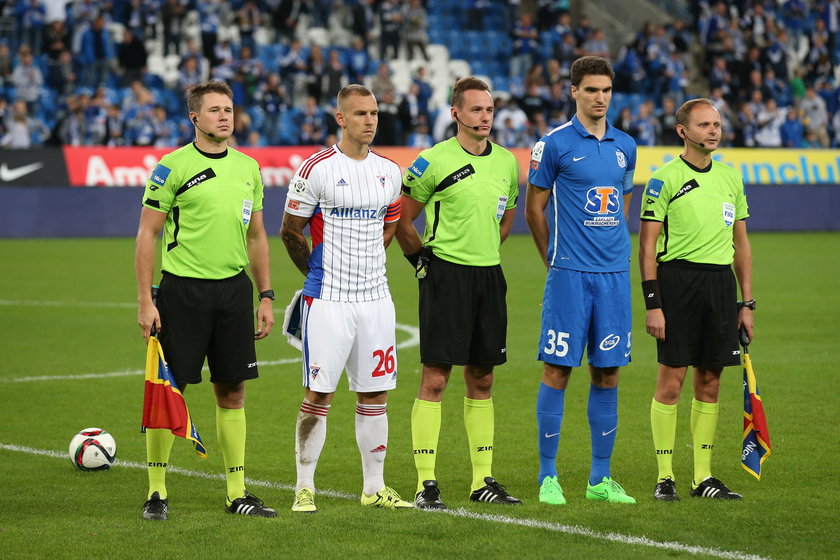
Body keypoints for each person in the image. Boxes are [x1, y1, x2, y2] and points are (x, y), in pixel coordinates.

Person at [135, 80, 277, 521]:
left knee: (232, 389)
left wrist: (266, 294)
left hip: (233, 293)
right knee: (168, 390)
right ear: (194, 118)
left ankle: (237, 492)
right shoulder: (171, 166)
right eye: (214, 110)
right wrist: (145, 301)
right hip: (182, 292)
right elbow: (147, 233)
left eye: (229, 109)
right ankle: (156, 491)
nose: (224, 116)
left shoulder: (248, 168)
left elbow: (256, 236)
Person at [280, 84, 411, 513]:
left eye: (373, 113)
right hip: (328, 301)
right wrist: (315, 275)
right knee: (318, 395)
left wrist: (367, 268)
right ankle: (305, 487)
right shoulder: (316, 168)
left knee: (375, 395)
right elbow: (289, 230)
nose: (369, 121)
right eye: (360, 114)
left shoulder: (390, 171)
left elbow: (389, 226)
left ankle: (374, 487)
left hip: (376, 300)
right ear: (341, 118)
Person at [396, 77, 521, 509]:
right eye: (475, 110)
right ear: (455, 114)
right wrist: (423, 263)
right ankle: (425, 483)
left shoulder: (506, 162)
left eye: (488, 110)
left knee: (482, 378)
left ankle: (481, 480)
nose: (484, 117)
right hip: (446, 277)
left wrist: (486, 249)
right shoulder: (431, 161)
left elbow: (506, 217)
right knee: (436, 377)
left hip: (489, 276)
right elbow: (403, 221)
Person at [525, 56, 637, 506]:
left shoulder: (625, 145)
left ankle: (599, 480)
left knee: (607, 373)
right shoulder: (552, 145)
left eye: (606, 90)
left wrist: (612, 248)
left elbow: (622, 205)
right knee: (557, 369)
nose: (600, 97)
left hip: (614, 277)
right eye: (591, 89)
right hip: (569, 275)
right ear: (573, 91)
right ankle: (548, 475)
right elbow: (535, 209)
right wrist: (551, 260)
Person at [640, 98, 753, 502]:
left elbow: (741, 244)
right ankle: (665, 475)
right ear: (682, 131)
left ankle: (702, 477)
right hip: (677, 284)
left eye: (717, 124)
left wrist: (747, 303)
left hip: (720, 286)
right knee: (672, 380)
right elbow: (647, 246)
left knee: (710, 379)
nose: (713, 131)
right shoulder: (664, 178)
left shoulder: (730, 178)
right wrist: (653, 303)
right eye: (704, 124)